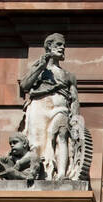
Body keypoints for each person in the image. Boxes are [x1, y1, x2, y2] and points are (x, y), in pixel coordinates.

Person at [19, 33, 81, 181]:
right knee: (37, 142)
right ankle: (40, 174)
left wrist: (76, 120)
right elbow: (25, 85)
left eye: (63, 45)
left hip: (60, 108)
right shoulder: (39, 69)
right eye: (59, 45)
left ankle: (61, 174)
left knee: (61, 135)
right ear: (49, 47)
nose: (62, 47)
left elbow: (74, 100)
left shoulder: (68, 75)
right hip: (39, 107)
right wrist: (41, 66)